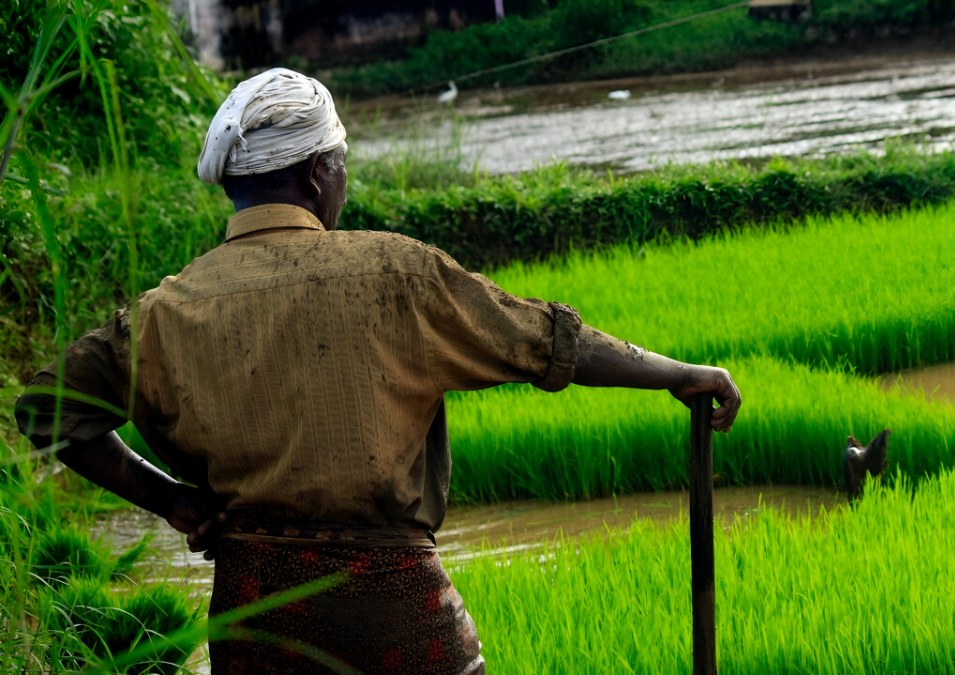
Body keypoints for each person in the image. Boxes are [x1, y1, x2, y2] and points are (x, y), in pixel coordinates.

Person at [13, 68, 741, 674]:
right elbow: (547, 340)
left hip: (254, 620)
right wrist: (678, 373)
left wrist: (169, 498)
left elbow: (45, 407)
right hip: (394, 614)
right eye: (342, 164)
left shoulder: (165, 311)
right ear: (317, 173)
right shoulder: (395, 272)